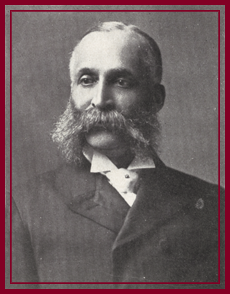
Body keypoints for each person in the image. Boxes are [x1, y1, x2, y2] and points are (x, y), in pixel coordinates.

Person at [10, 21, 223, 285]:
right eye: (86, 81)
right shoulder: (23, 206)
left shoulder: (213, 205)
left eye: (121, 82)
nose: (100, 99)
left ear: (156, 99)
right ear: (72, 91)